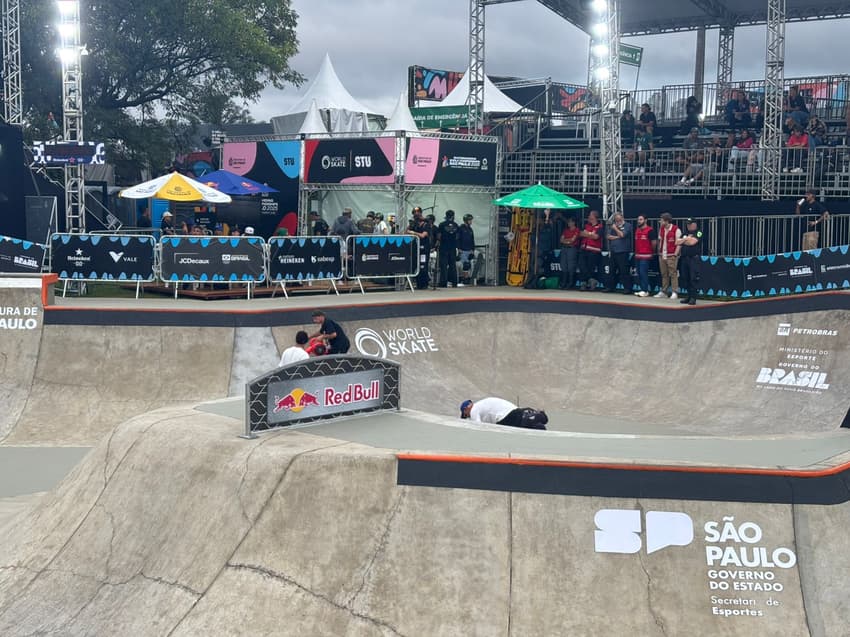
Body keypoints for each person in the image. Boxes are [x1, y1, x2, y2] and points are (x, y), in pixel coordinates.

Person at [460, 398, 548, 430]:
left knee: (520, 421)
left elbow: (477, 428)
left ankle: (535, 417)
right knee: (520, 422)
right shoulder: (482, 405)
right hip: (514, 411)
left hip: (505, 417)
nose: (468, 417)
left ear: (466, 409)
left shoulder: (474, 409)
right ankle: (534, 423)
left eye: (466, 415)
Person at [676, 218, 703, 306]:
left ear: (694, 224)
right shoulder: (685, 233)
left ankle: (693, 297)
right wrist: (686, 239)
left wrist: (684, 241)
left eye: (690, 224)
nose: (688, 226)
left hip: (694, 258)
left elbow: (692, 242)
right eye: (687, 224)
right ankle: (688, 296)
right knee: (685, 277)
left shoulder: (698, 232)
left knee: (693, 278)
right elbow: (677, 242)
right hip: (684, 258)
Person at [605, 213, 633, 294]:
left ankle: (627, 288)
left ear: (622, 218)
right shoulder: (613, 226)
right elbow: (608, 236)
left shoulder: (628, 225)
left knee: (624, 270)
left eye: (619, 220)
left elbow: (623, 234)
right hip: (613, 250)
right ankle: (610, 287)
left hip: (623, 251)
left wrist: (616, 229)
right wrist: (617, 237)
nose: (618, 222)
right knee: (611, 270)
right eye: (616, 220)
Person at [655, 212, 681, 300]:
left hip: (671, 255)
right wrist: (659, 251)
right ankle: (664, 291)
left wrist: (675, 254)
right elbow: (660, 240)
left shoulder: (676, 229)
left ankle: (675, 292)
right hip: (662, 255)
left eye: (661, 220)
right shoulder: (661, 229)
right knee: (664, 274)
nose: (660, 222)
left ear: (666, 221)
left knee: (673, 274)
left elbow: (679, 243)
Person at [578, 210, 604, 291]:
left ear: (594, 217)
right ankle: (590, 281)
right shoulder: (586, 225)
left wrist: (587, 234)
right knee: (582, 266)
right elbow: (581, 234)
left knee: (590, 267)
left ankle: (587, 283)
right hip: (583, 249)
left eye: (590, 215)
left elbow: (596, 237)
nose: (589, 217)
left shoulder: (599, 227)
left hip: (593, 250)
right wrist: (590, 234)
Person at [632, 215, 657, 297]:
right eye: (638, 219)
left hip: (646, 256)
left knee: (643, 273)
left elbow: (654, 243)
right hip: (638, 255)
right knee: (638, 273)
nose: (639, 221)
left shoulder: (650, 230)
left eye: (641, 219)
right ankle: (642, 289)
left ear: (645, 220)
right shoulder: (637, 230)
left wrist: (651, 251)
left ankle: (645, 290)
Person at [407, 206, 431, 289]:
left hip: (424, 249)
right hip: (415, 248)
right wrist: (410, 227)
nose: (416, 215)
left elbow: (423, 235)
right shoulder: (414, 224)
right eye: (414, 213)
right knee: (415, 265)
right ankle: (417, 283)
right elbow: (406, 232)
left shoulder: (426, 224)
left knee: (423, 266)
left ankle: (424, 284)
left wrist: (413, 232)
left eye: (417, 213)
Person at [436, 209, 460, 288]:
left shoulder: (442, 225)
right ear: (453, 216)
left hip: (444, 247)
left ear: (446, 216)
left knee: (443, 265)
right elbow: (457, 237)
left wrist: (438, 243)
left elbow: (439, 236)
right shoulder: (456, 225)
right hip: (452, 247)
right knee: (453, 265)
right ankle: (454, 282)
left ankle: (443, 283)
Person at [558, 216, 580, 290]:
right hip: (564, 248)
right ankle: (564, 282)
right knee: (564, 265)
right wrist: (568, 241)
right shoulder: (566, 230)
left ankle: (571, 283)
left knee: (571, 266)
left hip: (572, 249)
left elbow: (573, 240)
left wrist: (566, 241)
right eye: (568, 222)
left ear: (573, 222)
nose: (568, 223)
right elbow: (561, 240)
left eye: (570, 222)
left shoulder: (577, 230)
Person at [458, 214, 476, 285]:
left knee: (469, 264)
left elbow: (472, 240)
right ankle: (464, 278)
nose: (471, 221)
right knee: (465, 264)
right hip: (463, 249)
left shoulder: (470, 229)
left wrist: (472, 249)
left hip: (469, 249)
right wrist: (459, 248)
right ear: (466, 220)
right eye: (470, 220)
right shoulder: (461, 228)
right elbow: (458, 238)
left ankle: (467, 278)